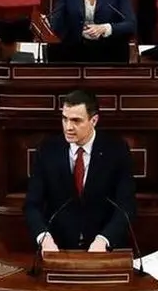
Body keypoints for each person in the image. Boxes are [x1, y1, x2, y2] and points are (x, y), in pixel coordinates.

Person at [23, 89, 136, 252]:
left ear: (94, 120)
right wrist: (44, 237)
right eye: (65, 119)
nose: (68, 127)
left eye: (76, 121)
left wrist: (105, 239)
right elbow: (32, 205)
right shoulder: (47, 150)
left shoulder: (116, 150)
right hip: (58, 247)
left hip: (103, 248)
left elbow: (127, 206)